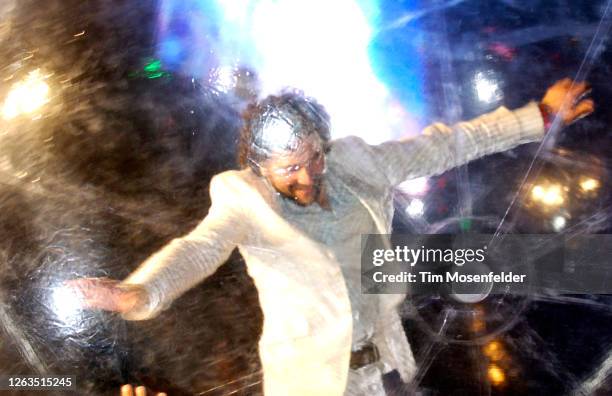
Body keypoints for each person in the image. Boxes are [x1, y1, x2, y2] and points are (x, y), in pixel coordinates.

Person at [68, 78, 594, 395]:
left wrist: (540, 116)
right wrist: (142, 292)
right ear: (258, 165)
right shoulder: (243, 198)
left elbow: (447, 144)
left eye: (315, 155)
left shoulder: (354, 163)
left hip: (386, 364)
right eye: (289, 167)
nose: (308, 174)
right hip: (315, 380)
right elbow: (199, 248)